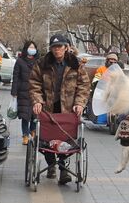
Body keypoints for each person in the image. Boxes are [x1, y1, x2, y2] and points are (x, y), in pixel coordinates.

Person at [29, 34, 90, 184]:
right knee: (46, 138)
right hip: (48, 107)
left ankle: (63, 168)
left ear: (66, 47)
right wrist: (37, 101)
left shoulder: (76, 64)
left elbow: (84, 86)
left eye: (59, 47)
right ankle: (51, 165)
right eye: (54, 47)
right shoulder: (42, 63)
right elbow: (34, 83)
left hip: (69, 108)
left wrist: (80, 103)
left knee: (66, 138)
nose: (57, 50)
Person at [11, 41, 39, 145]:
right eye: (30, 47)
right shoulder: (20, 61)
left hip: (35, 91)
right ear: (26, 48)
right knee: (25, 115)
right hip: (23, 91)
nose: (32, 49)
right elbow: (15, 76)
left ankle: (33, 131)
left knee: (34, 114)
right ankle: (25, 135)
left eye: (34, 47)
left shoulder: (38, 61)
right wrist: (14, 91)